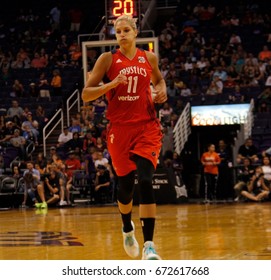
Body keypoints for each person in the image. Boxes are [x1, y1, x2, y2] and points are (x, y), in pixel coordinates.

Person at [82, 15, 167, 260]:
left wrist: (161, 89)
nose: (121, 34)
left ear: (135, 32)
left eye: (126, 29)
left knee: (147, 179)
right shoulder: (107, 59)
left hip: (147, 127)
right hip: (119, 129)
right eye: (117, 31)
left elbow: (159, 80)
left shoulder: (148, 57)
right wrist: (111, 85)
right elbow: (87, 94)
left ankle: (149, 246)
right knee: (126, 187)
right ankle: (127, 227)